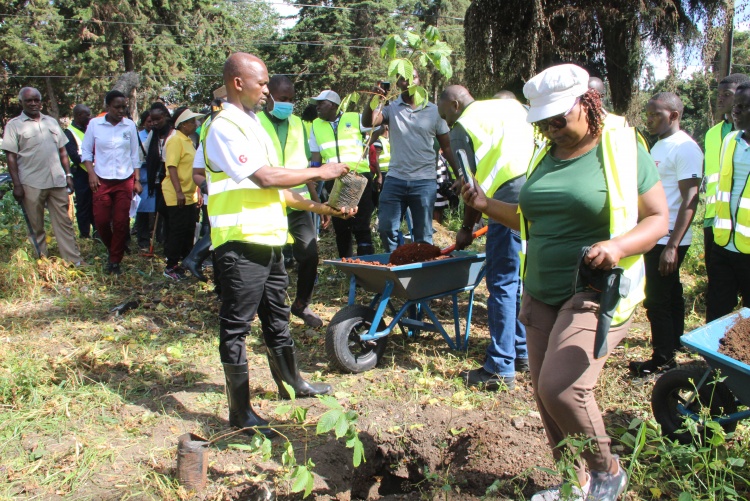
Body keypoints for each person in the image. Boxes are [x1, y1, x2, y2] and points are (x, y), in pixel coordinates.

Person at [461, 64, 668, 500]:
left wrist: (617, 246)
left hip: (596, 288)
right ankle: (573, 485)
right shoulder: (546, 154)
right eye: (544, 122)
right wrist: (484, 203)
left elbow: (657, 218)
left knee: (564, 388)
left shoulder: (623, 147)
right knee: (544, 396)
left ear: (587, 103)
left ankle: (606, 470)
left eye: (559, 118)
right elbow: (530, 218)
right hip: (541, 288)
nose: (553, 129)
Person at [204, 52, 357, 437]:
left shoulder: (255, 125)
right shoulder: (225, 126)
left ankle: (291, 384)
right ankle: (240, 412)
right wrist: (321, 171)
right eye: (262, 83)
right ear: (238, 83)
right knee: (236, 326)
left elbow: (282, 193)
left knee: (276, 316)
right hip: (240, 243)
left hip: (269, 241)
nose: (268, 91)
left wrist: (322, 206)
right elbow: (266, 178)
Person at [437, 85, 535, 391]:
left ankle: (499, 367)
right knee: (519, 279)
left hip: (505, 201)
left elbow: (471, 186)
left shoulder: (463, 126)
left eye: (445, 117)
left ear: (454, 104)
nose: (447, 125)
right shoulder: (511, 107)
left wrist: (467, 228)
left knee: (502, 283)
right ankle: (522, 353)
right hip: (536, 195)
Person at [629, 93, 702, 376]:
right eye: (647, 114)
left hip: (669, 238)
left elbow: (690, 200)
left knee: (657, 301)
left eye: (655, 114)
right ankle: (672, 349)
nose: (649, 119)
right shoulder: (659, 145)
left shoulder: (684, 148)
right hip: (656, 235)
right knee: (670, 295)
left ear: (673, 115)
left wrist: (673, 245)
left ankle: (662, 362)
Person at [362, 70, 459, 251]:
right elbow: (369, 122)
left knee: (423, 234)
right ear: (398, 84)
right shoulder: (391, 109)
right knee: (386, 229)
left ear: (419, 80)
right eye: (402, 79)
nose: (407, 82)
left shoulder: (434, 111)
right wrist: (375, 99)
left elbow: (447, 147)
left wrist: (459, 175)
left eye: (412, 77)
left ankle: (421, 273)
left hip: (424, 182)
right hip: (395, 180)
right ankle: (395, 265)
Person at [259, 75, 327, 327]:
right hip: (267, 202)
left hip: (298, 201)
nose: (288, 104)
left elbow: (306, 168)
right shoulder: (255, 123)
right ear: (270, 97)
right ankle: (272, 309)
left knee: (309, 253)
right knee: (271, 259)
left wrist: (318, 202)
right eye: (283, 99)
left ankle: (301, 305)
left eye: (292, 99)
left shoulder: (299, 123)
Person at [2, 87, 84, 265]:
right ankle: (43, 262)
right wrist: (16, 185)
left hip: (57, 180)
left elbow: (62, 150)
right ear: (21, 103)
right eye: (29, 100)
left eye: (36, 100)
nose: (33, 103)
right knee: (36, 224)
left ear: (41, 102)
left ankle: (73, 261)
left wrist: (68, 174)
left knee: (64, 223)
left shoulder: (51, 122)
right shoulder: (14, 125)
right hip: (31, 182)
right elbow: (11, 157)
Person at [309, 89, 376, 257]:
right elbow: (315, 155)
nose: (317, 108)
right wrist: (314, 175)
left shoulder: (354, 117)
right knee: (341, 226)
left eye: (321, 104)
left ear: (332, 105)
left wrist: (369, 143)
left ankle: (367, 267)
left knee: (362, 226)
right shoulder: (315, 125)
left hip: (360, 178)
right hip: (334, 181)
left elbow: (378, 126)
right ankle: (347, 267)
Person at [82, 90, 142, 274]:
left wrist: (137, 180)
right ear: (107, 107)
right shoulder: (95, 125)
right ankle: (114, 247)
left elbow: (134, 154)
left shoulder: (129, 126)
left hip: (125, 180)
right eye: (117, 107)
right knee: (100, 221)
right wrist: (91, 174)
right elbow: (86, 152)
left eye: (124, 107)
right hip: (101, 180)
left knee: (121, 222)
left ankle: (115, 261)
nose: (121, 110)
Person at [705, 81, 750, 321]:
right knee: (717, 306)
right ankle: (711, 359)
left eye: (743, 107)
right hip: (723, 242)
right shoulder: (730, 140)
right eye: (737, 106)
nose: (736, 111)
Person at [162, 106, 203, 279]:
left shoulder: (188, 140)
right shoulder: (175, 140)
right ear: (183, 124)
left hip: (189, 194)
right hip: (176, 194)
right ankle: (171, 266)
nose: (196, 124)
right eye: (192, 121)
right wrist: (178, 191)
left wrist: (198, 192)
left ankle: (186, 263)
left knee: (188, 230)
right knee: (177, 230)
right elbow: (171, 166)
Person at [64, 104, 95, 238]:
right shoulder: (69, 133)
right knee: (83, 205)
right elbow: (74, 156)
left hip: (94, 172)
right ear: (78, 116)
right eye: (86, 115)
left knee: (95, 204)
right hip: (80, 174)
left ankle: (97, 232)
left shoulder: (89, 130)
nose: (89, 117)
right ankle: (84, 234)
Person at [135, 110, 157, 250]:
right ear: (143, 122)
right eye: (148, 121)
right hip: (143, 177)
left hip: (155, 176)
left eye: (153, 121)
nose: (151, 124)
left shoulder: (158, 135)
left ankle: (156, 236)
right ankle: (142, 238)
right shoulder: (138, 137)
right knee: (142, 209)